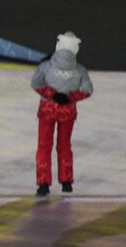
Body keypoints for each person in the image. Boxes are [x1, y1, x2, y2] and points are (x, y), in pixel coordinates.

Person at [31, 32, 92, 198]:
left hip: (47, 111)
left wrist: (52, 94)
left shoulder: (46, 66)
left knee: (44, 146)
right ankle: (66, 182)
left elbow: (35, 83)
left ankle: (43, 184)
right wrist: (69, 97)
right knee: (64, 145)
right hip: (68, 112)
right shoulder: (79, 70)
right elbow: (88, 90)